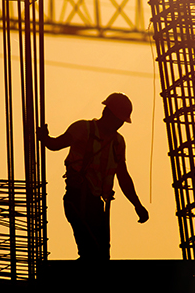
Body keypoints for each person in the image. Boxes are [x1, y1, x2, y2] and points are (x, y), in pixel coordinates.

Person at [37, 92, 149, 260]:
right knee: (91, 251)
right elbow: (55, 145)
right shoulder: (83, 129)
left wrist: (137, 205)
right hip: (77, 198)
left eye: (121, 121)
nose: (119, 124)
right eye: (118, 119)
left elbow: (123, 177)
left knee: (102, 254)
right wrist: (44, 137)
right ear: (107, 113)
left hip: (96, 204)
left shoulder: (118, 142)